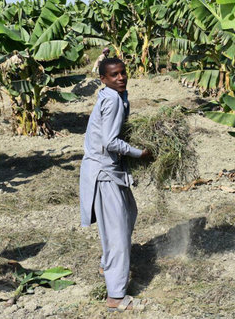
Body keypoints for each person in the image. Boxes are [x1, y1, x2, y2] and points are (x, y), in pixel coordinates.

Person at [79, 57, 151, 312]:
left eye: (123, 73)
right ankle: (116, 296)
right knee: (118, 234)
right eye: (114, 75)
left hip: (110, 170)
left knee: (129, 213)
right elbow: (110, 141)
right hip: (103, 173)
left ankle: (106, 264)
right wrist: (138, 153)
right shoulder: (111, 100)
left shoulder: (114, 96)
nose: (120, 78)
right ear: (103, 79)